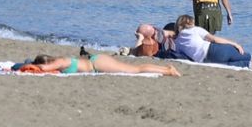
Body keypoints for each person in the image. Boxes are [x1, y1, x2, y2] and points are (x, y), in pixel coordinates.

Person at [170, 15, 252, 77]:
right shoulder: (195, 30)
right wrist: (234, 43)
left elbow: (184, 55)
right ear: (190, 23)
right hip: (215, 50)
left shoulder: (178, 42)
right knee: (250, 57)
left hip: (208, 59)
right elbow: (215, 39)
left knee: (246, 64)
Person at [20, 54, 180, 77]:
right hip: (96, 61)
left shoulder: (59, 62)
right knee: (134, 69)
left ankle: (168, 71)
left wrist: (28, 66)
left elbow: (44, 69)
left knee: (135, 70)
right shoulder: (59, 63)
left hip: (97, 64)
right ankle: (167, 70)